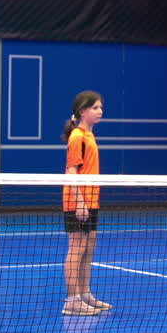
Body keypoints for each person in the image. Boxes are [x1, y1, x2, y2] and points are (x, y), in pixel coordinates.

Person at [61, 90, 111, 316]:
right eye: (95, 108)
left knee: (89, 248)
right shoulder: (77, 137)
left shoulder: (89, 135)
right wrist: (80, 203)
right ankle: (72, 300)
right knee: (76, 249)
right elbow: (72, 171)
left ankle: (85, 295)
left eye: (100, 107)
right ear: (82, 112)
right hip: (77, 201)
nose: (100, 111)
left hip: (92, 200)